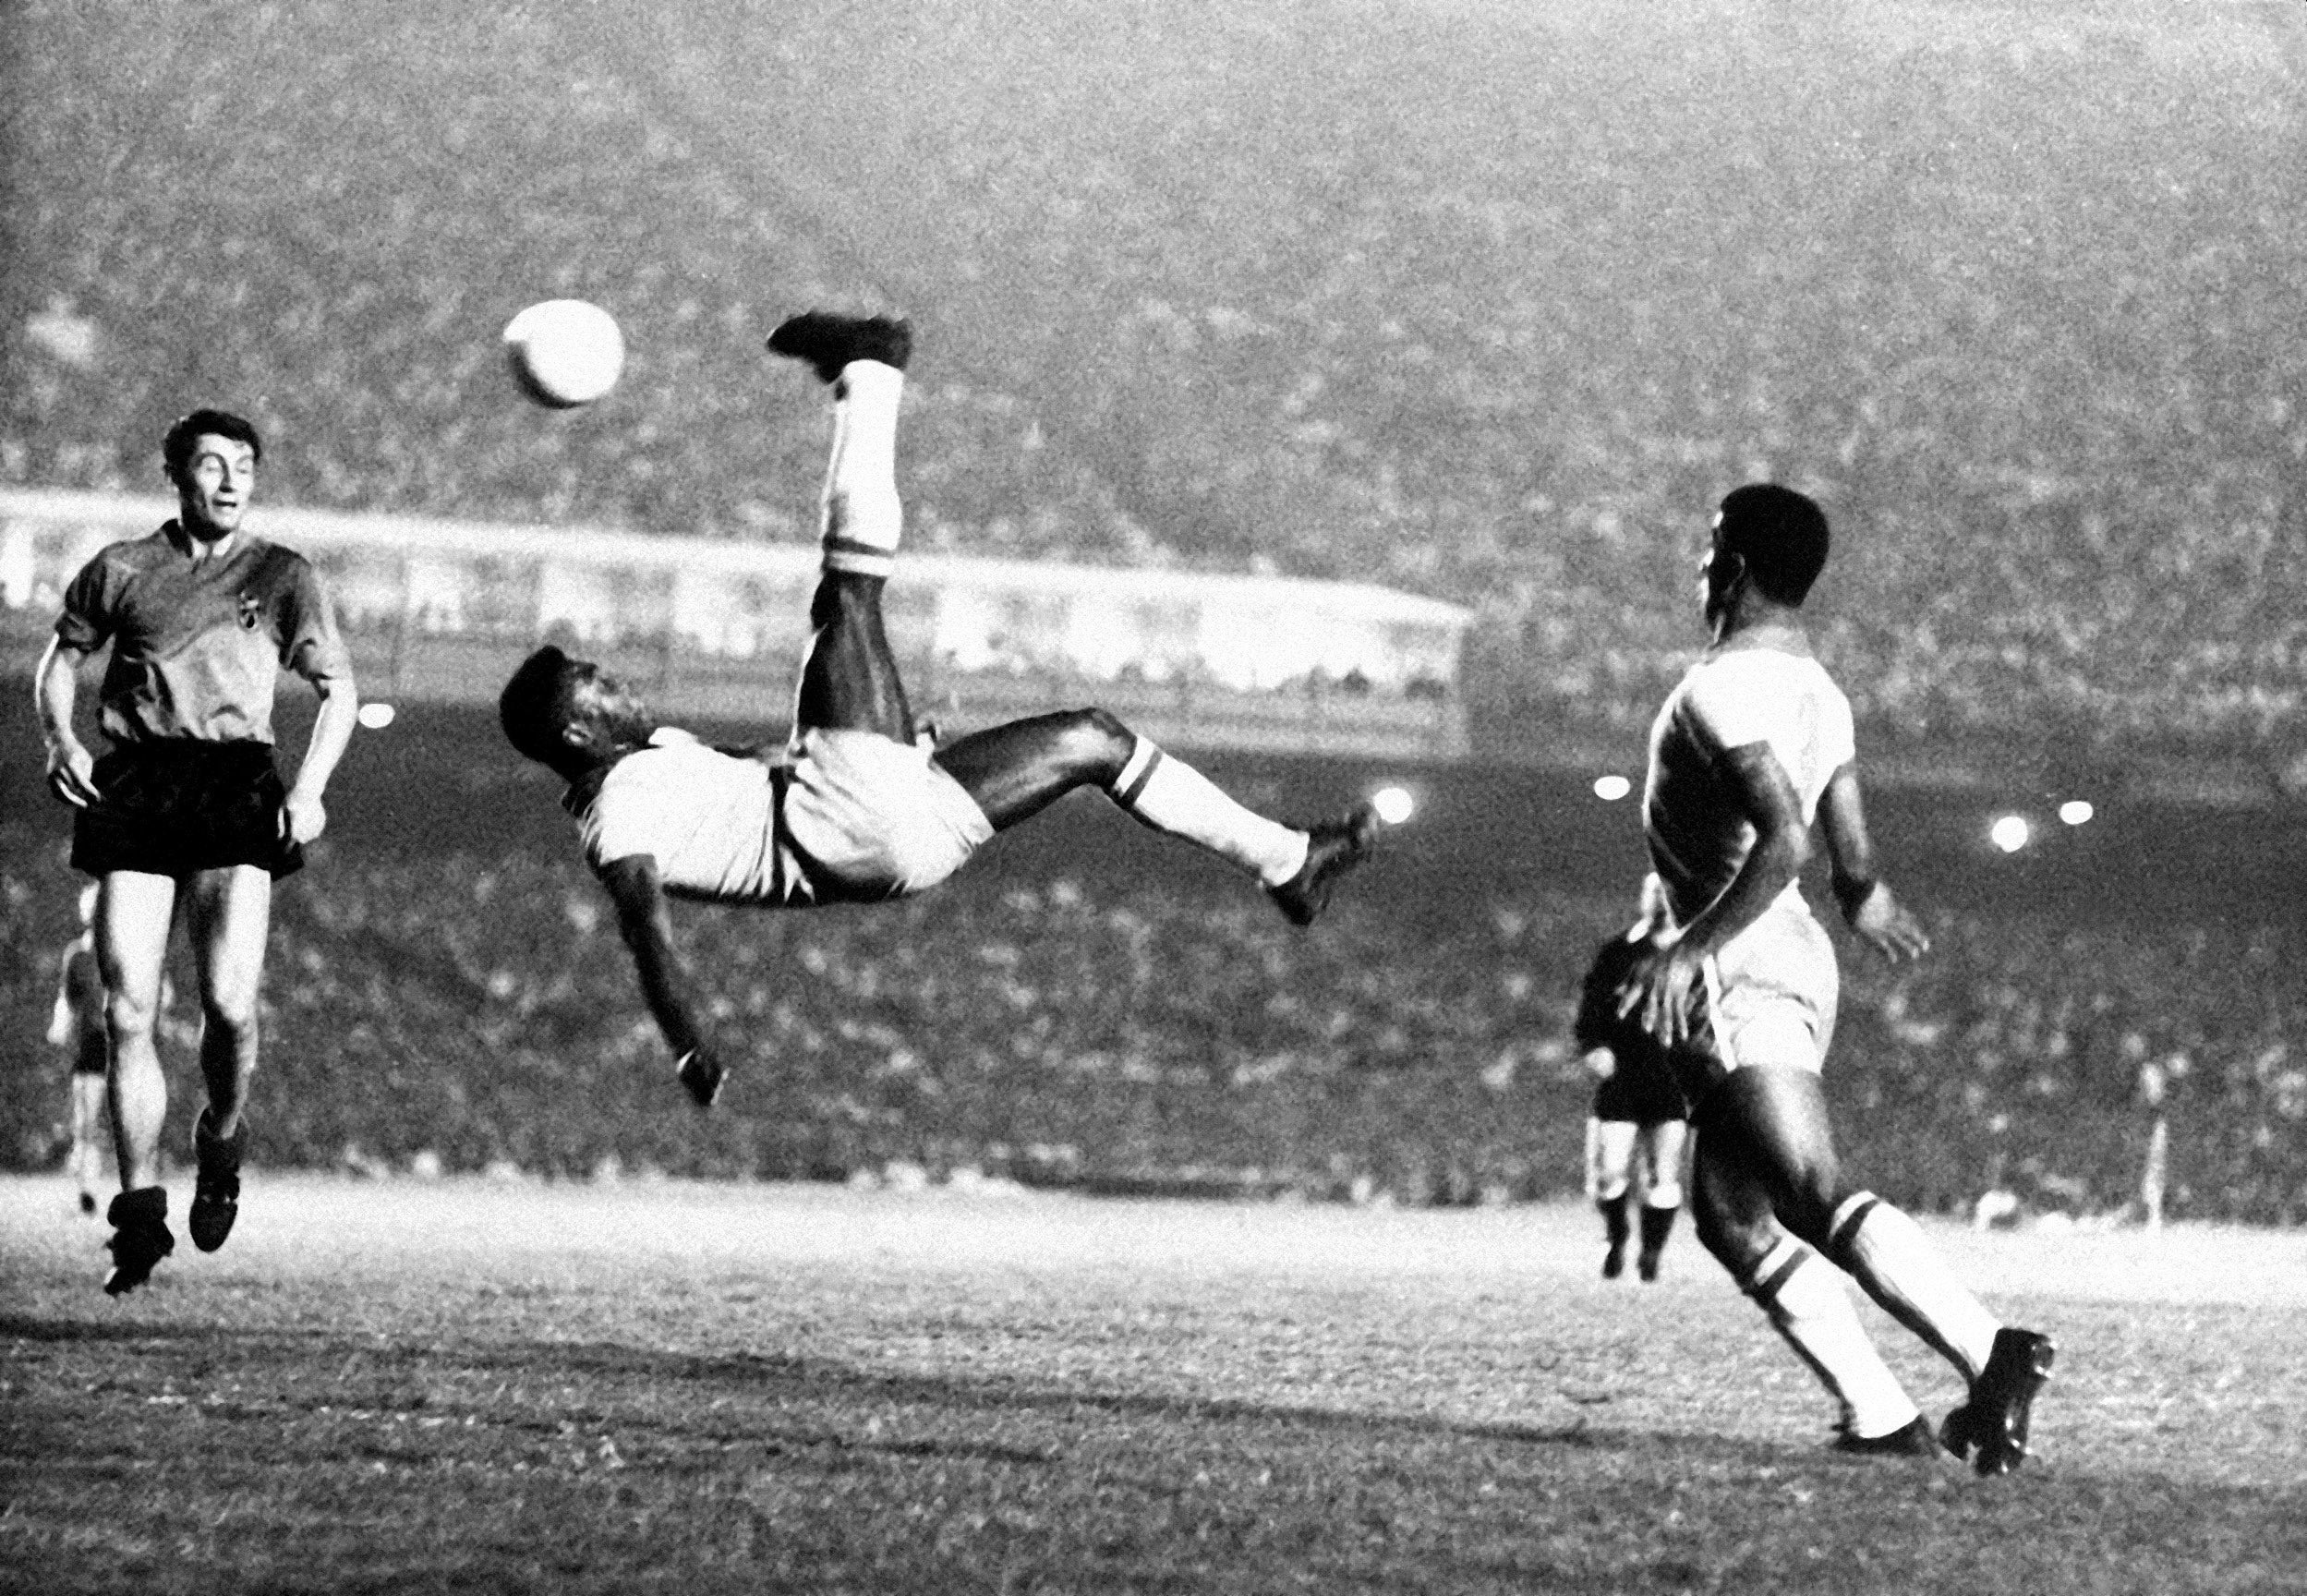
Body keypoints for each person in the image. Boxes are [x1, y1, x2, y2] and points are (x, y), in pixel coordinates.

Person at [500, 312, 1380, 1108]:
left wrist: (891, 745)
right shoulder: (617, 814)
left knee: (1095, 740)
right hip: (841, 825)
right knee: (846, 600)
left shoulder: (659, 763)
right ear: (578, 731)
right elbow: (644, 932)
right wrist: (689, 1041)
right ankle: (871, 373)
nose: (614, 681)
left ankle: (1287, 860)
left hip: (892, 835)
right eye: (595, 682)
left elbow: (755, 782)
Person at [1616, 483, 2054, 1473]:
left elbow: (1783, 838)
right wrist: (1865, 901)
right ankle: (1880, 1419)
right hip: (1792, 949)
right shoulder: (1821, 692)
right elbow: (1846, 857)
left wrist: (1688, 948)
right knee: (1730, 1218)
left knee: (1806, 1191)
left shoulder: (1719, 689)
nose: (1697, 568)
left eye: (1704, 550)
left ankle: (1994, 1354)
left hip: (1741, 958)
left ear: (1728, 568)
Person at [36, 408, 359, 1295]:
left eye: (244, 467)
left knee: (227, 1004)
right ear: (175, 474)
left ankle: (222, 1134)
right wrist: (63, 739)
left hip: (233, 783)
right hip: (138, 781)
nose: (229, 481)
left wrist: (308, 790)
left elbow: (338, 690)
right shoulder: (123, 569)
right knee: (128, 1011)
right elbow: (59, 661)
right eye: (212, 465)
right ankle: (139, 1215)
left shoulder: (282, 574)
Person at [1572, 874, 1687, 1282]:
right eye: (1653, 894)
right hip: (1622, 1073)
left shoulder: (1692, 952)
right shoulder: (1618, 953)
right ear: (1642, 900)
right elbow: (1590, 1008)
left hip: (1672, 1075)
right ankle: (1617, 1237)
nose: (1660, 902)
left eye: (1666, 894)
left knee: (1663, 1173)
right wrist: (1593, 1046)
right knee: (1609, 1173)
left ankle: (1652, 1253)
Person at [47, 884, 110, 1215]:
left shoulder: (128, 951)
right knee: (87, 1124)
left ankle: (136, 1195)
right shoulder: (79, 956)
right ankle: (87, 1191)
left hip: (123, 1045)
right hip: (92, 1046)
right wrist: (59, 1034)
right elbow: (67, 1001)